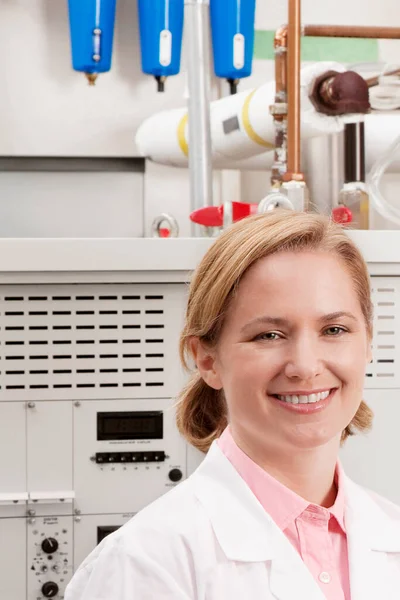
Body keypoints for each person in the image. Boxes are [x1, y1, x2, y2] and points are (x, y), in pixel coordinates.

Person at [65, 211, 400, 600]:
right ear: (207, 360)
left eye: (334, 330)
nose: (306, 367)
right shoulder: (146, 562)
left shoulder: (390, 530)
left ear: (369, 343)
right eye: (269, 335)